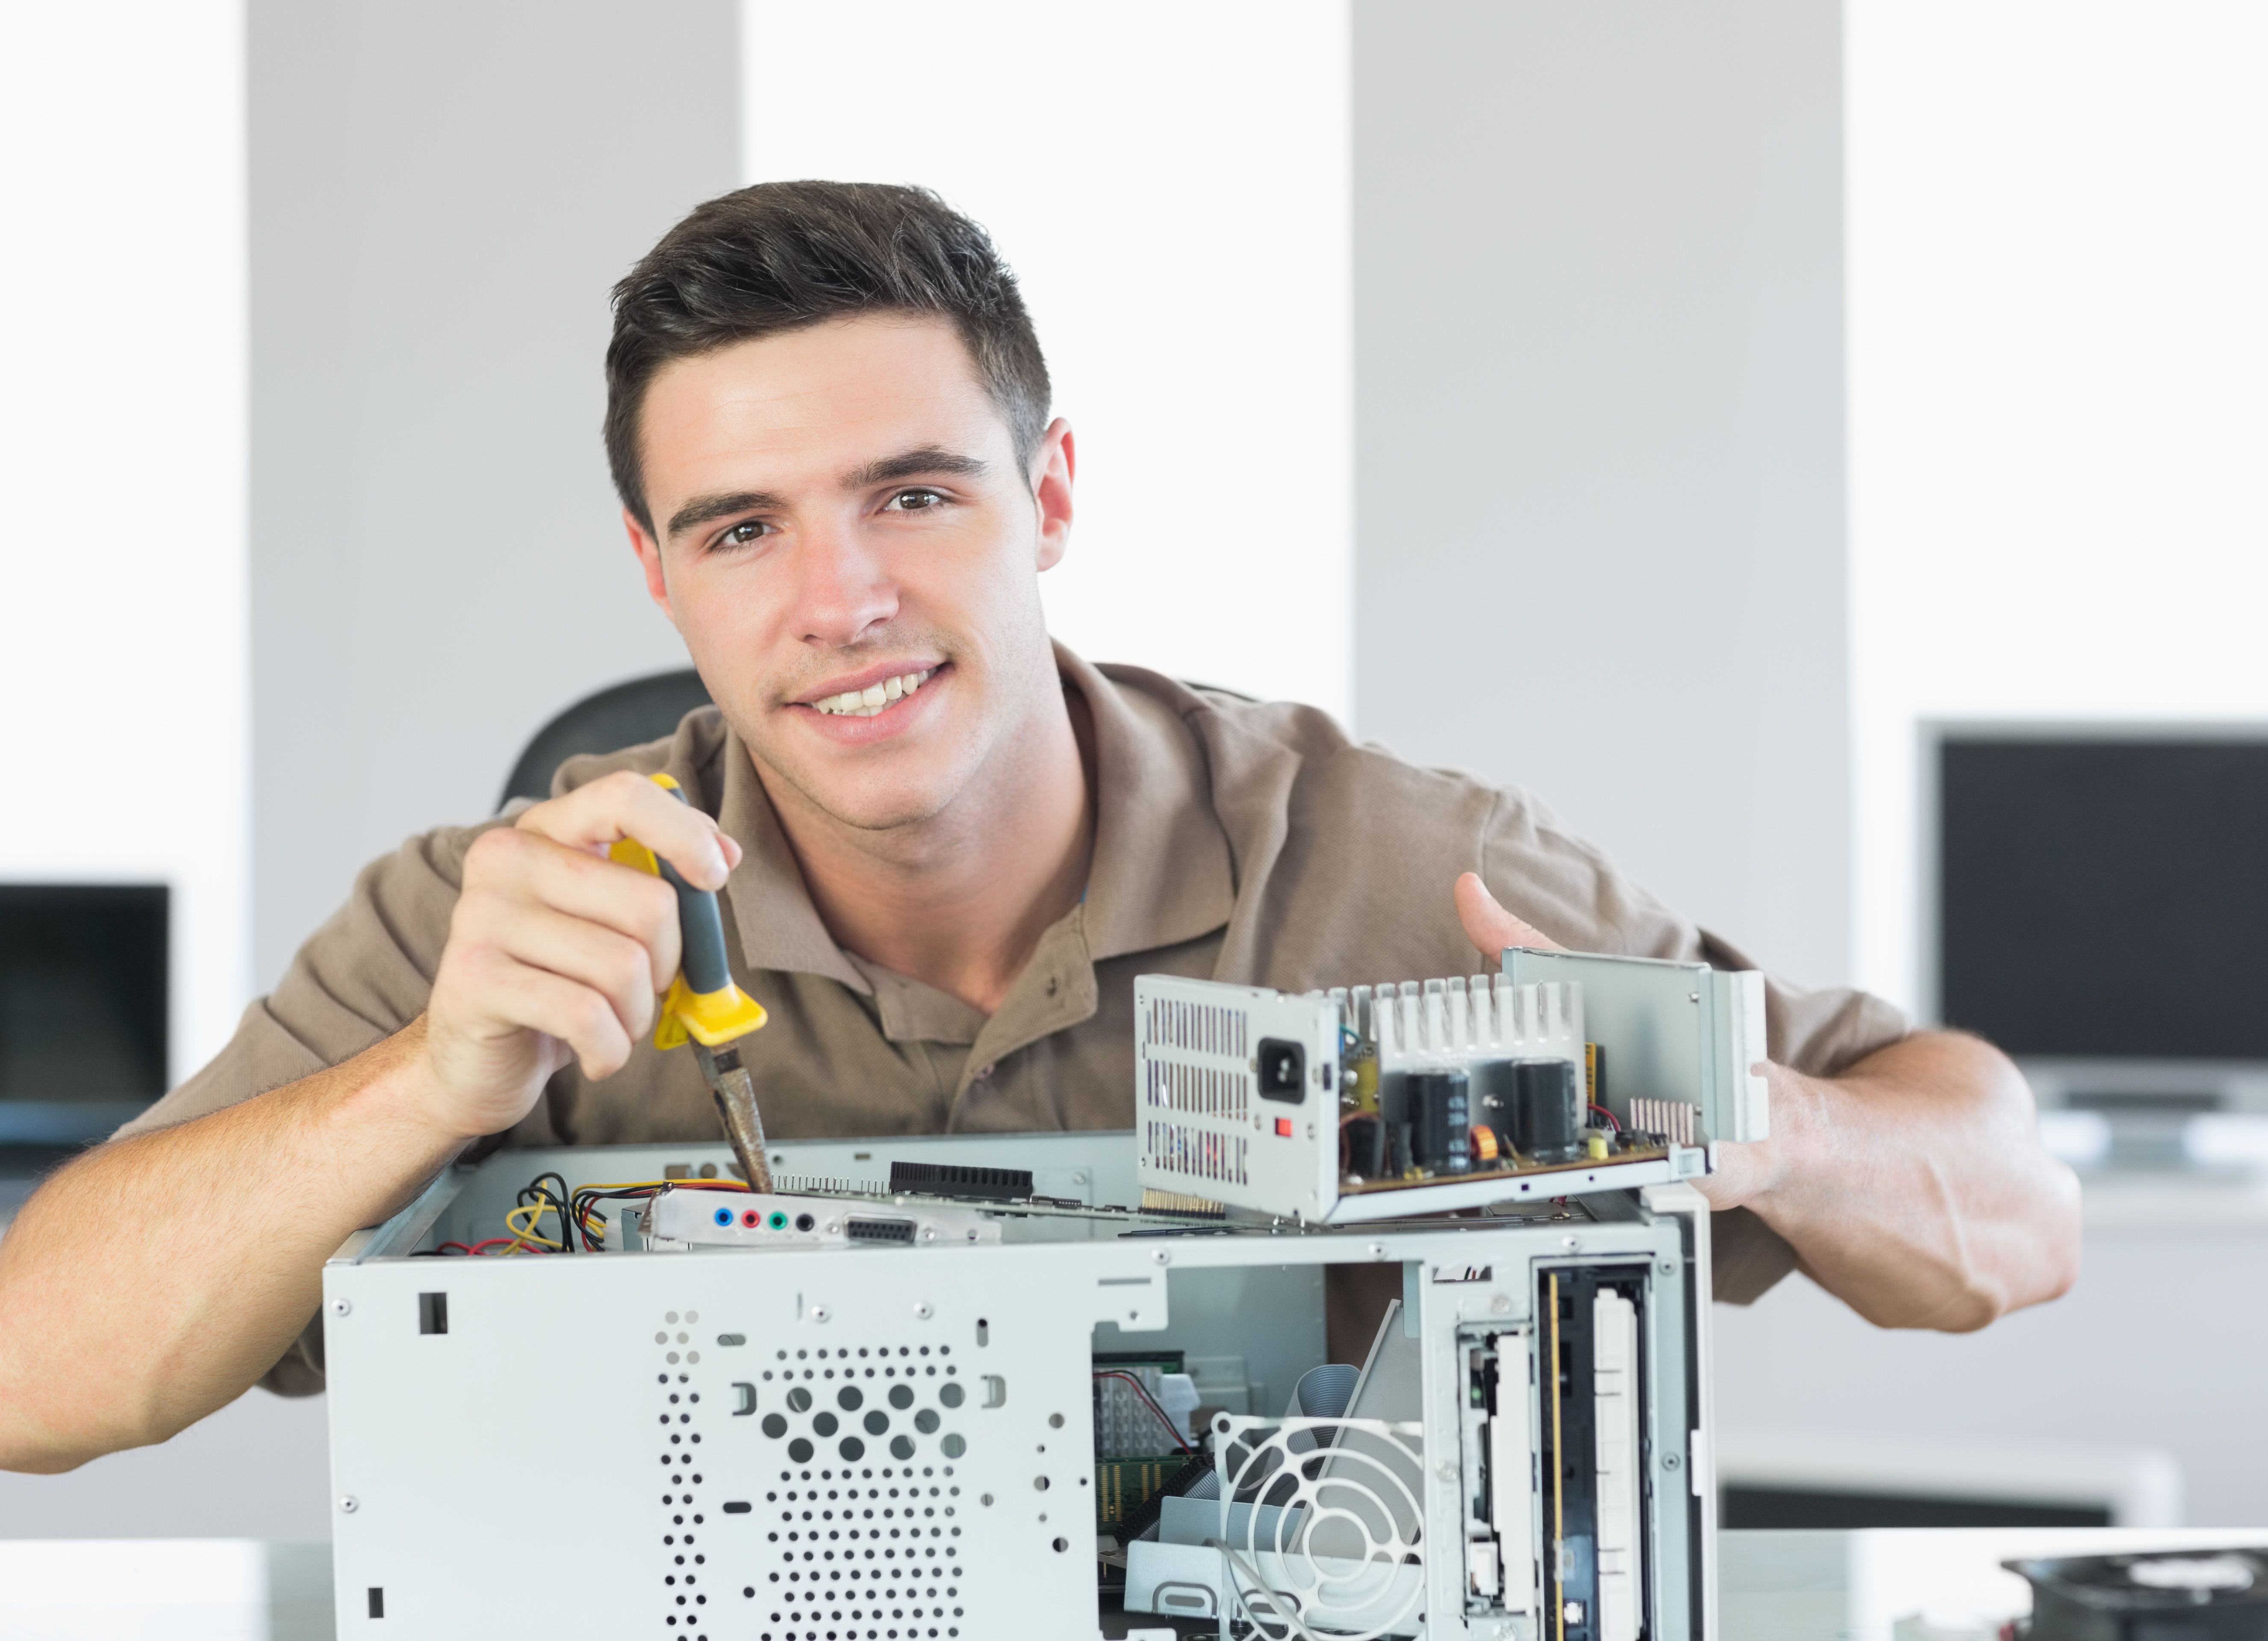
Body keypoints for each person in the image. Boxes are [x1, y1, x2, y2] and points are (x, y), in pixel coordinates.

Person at [0, 182, 2079, 1475]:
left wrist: (1719, 1114)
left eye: (915, 492)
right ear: (657, 578)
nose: (843, 603)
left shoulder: (1387, 858)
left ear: (1052, 496)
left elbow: (2010, 1220)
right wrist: (424, 1093)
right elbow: (28, 1381)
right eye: (744, 530)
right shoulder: (501, 922)